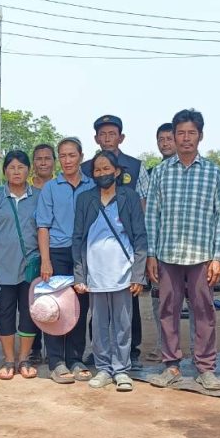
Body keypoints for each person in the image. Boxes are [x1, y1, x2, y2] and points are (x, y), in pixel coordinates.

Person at [145, 109, 220, 391]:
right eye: (180, 133)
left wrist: (218, 258)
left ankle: (205, 367)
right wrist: (151, 254)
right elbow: (152, 216)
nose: (186, 138)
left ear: (200, 136)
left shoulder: (213, 173)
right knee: (167, 310)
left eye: (191, 132)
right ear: (174, 136)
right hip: (167, 255)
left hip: (201, 256)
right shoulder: (160, 172)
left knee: (204, 311)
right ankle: (171, 365)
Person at [73, 151, 147, 392]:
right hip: (95, 274)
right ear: (92, 174)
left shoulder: (129, 197)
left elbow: (140, 236)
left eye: (106, 169)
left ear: (116, 172)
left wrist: (138, 274)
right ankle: (104, 368)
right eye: (97, 170)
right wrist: (80, 275)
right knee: (99, 325)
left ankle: (122, 370)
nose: (102, 173)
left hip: (122, 272)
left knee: (123, 324)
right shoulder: (85, 199)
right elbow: (78, 238)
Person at [36, 137, 95, 384]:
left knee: (79, 308)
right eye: (63, 156)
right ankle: (56, 362)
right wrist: (46, 260)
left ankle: (75, 358)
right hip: (58, 253)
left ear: (81, 157)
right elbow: (43, 226)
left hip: (85, 254)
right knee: (54, 307)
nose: (67, 160)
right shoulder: (50, 188)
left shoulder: (92, 185)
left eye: (72, 155)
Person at [0, 150, 41, 380]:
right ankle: (8, 360)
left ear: (29, 170)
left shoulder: (39, 197)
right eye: (11, 168)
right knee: (5, 313)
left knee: (29, 313)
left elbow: (44, 231)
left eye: (21, 167)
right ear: (5, 171)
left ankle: (24, 359)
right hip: (2, 268)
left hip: (31, 267)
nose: (16, 172)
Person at [143, 122, 196, 363]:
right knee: (162, 303)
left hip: (193, 251)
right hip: (163, 250)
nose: (165, 144)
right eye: (160, 140)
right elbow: (149, 214)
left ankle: (196, 348)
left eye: (168, 139)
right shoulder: (153, 173)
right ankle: (163, 346)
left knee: (196, 303)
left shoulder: (196, 171)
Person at [26, 142, 56, 363]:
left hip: (56, 251)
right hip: (31, 255)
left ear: (54, 161)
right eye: (39, 159)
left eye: (47, 158)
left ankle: (55, 348)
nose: (43, 163)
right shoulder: (26, 189)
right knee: (33, 300)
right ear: (33, 162)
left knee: (55, 301)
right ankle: (34, 348)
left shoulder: (60, 186)